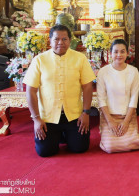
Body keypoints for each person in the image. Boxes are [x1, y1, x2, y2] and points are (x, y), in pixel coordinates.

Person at [23, 25, 95, 157]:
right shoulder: (39, 60)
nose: (60, 43)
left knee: (80, 148)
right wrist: (36, 119)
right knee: (45, 152)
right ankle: (58, 136)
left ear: (70, 40)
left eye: (64, 39)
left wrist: (86, 113)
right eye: (56, 39)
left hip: (74, 116)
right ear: (50, 40)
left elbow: (87, 86)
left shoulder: (80, 58)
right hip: (48, 117)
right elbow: (31, 90)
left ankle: (65, 135)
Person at [96, 39, 139, 153]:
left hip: (127, 115)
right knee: (109, 147)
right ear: (110, 53)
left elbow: (134, 98)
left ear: (127, 53)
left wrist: (126, 121)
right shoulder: (103, 72)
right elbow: (101, 99)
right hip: (109, 116)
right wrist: (110, 121)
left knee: (137, 143)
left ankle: (132, 135)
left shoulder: (133, 71)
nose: (119, 55)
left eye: (122, 51)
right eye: (116, 52)